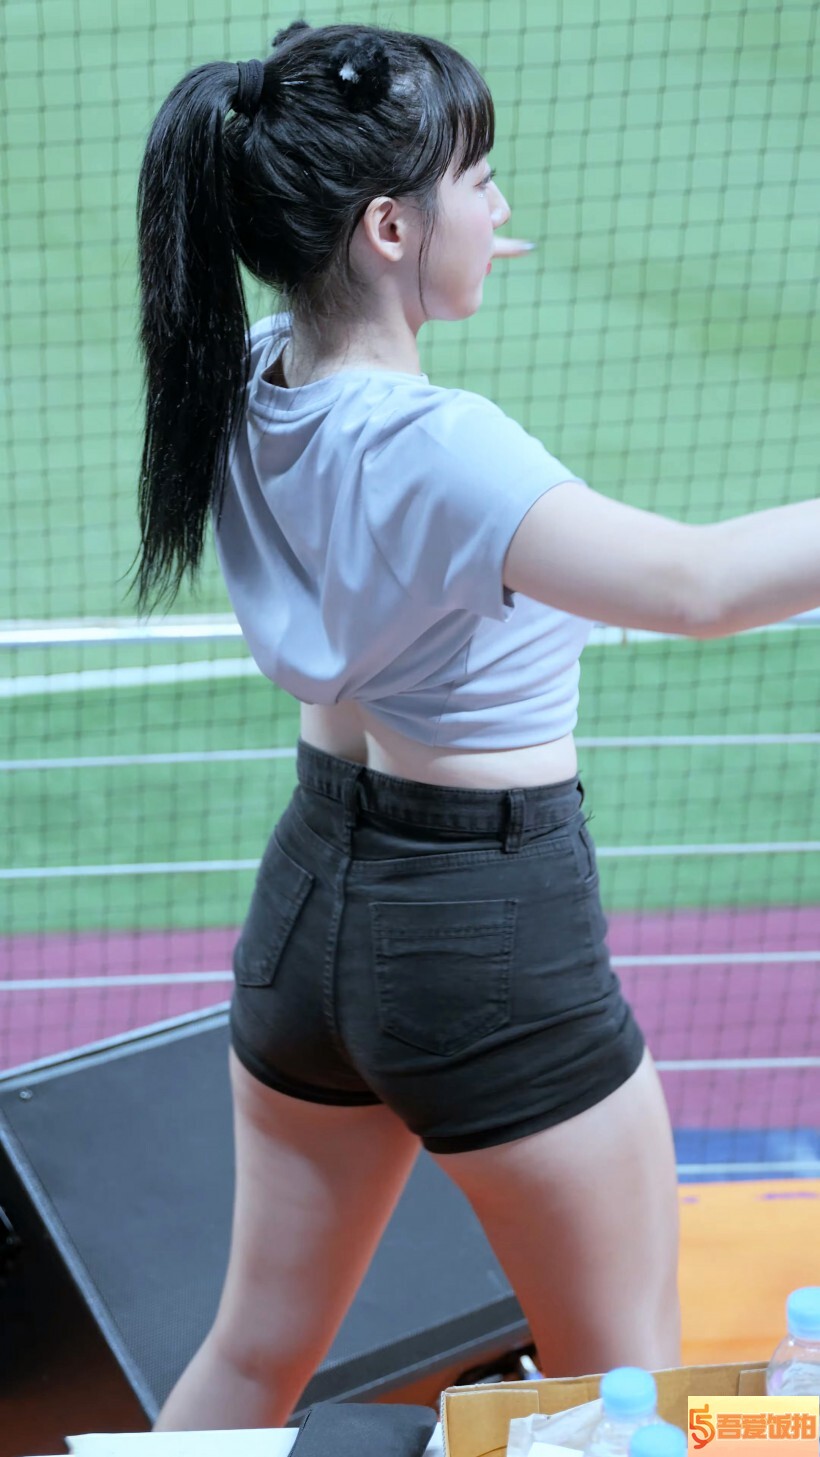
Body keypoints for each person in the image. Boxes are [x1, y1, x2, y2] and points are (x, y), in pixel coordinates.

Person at [133, 20, 819, 1431]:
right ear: (389, 227)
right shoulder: (442, 447)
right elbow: (697, 587)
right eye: (479, 181)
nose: (502, 209)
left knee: (251, 1361)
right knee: (621, 1392)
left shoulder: (245, 377)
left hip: (306, 919)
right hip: (483, 932)